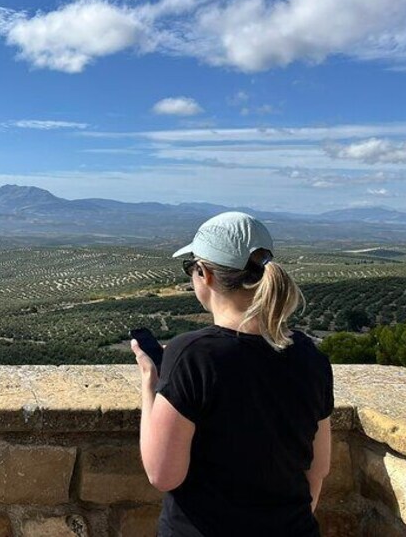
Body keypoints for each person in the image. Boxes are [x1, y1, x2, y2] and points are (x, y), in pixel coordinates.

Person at [131, 212, 334, 537]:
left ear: (204, 274)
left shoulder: (192, 356)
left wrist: (150, 384)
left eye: (191, 268)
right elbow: (318, 469)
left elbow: (162, 474)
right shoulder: (311, 357)